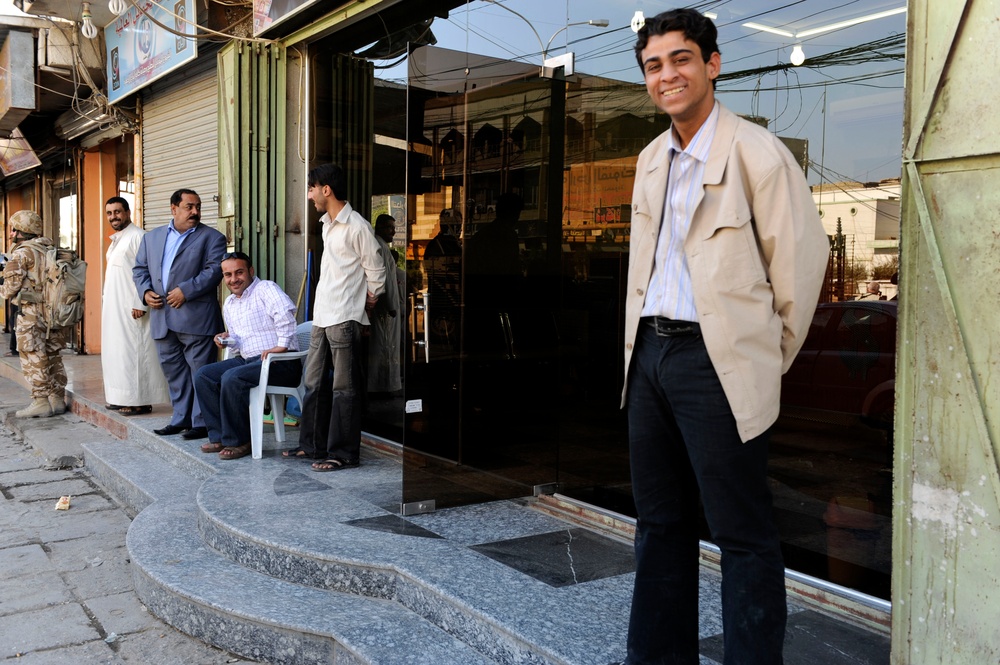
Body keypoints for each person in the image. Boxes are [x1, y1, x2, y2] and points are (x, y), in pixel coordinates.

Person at [621, 10, 829, 665]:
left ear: (712, 64)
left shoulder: (755, 152)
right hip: (649, 355)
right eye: (654, 65)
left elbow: (801, 263)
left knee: (742, 532)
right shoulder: (652, 158)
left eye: (681, 59)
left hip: (716, 359)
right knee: (659, 525)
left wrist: (759, 358)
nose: (667, 75)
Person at [281, 163, 384, 470]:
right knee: (312, 383)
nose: (310, 196)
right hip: (322, 317)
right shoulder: (328, 224)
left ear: (326, 189)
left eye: (311, 188)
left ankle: (343, 454)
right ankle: (311, 446)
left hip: (343, 318)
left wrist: (363, 306)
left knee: (344, 389)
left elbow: (375, 273)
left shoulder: (358, 226)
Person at [132, 189, 226, 440]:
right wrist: (145, 292)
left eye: (198, 207)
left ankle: (202, 421)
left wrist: (186, 290)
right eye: (189, 207)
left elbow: (214, 270)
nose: (195, 212)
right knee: (174, 372)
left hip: (196, 317)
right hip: (162, 316)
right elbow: (140, 269)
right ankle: (180, 418)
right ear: (173, 208)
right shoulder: (152, 237)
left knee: (201, 372)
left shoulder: (212, 237)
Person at [194, 252, 301, 460]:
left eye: (239, 272)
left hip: (281, 362)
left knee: (232, 377)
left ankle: (240, 441)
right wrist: (227, 339)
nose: (233, 279)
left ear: (250, 271)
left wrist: (281, 346)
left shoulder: (265, 289)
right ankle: (220, 436)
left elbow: (286, 315)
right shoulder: (230, 303)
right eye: (228, 275)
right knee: (204, 375)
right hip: (248, 361)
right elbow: (239, 342)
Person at [101, 197, 169, 415]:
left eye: (118, 212)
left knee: (135, 353)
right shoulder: (117, 240)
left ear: (128, 212)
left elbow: (148, 270)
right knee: (118, 354)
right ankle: (120, 397)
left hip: (134, 308)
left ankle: (139, 400)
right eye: (110, 213)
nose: (114, 217)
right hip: (115, 307)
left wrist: (140, 301)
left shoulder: (138, 236)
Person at [0, 211, 69, 418]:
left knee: (33, 355)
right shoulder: (52, 249)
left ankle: (40, 401)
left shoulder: (22, 254)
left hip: (30, 315)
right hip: (54, 314)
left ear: (23, 231)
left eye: (15, 229)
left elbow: (8, 290)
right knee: (52, 355)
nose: (12, 233)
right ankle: (57, 399)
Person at [367, 214, 401, 395]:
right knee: (384, 346)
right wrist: (390, 306)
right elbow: (383, 280)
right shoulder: (379, 246)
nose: (393, 231)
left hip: (387, 306)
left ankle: (385, 385)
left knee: (385, 345)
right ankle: (382, 386)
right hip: (385, 308)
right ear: (380, 228)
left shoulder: (382, 246)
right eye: (389, 227)